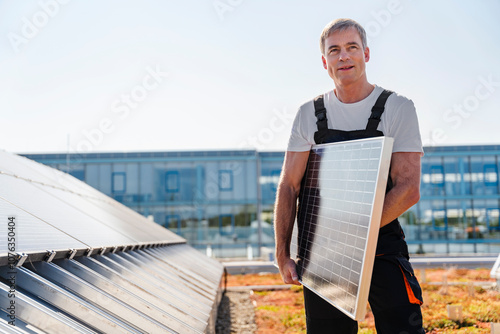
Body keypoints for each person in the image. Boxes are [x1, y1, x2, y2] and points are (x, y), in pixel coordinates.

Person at [274, 18, 425, 333]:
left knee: (403, 327)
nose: (343, 57)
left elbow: (408, 189)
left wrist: (359, 236)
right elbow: (289, 185)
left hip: (382, 245)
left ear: (366, 54)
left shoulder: (397, 108)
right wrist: (282, 254)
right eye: (334, 50)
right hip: (323, 254)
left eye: (351, 48)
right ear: (324, 61)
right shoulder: (308, 114)